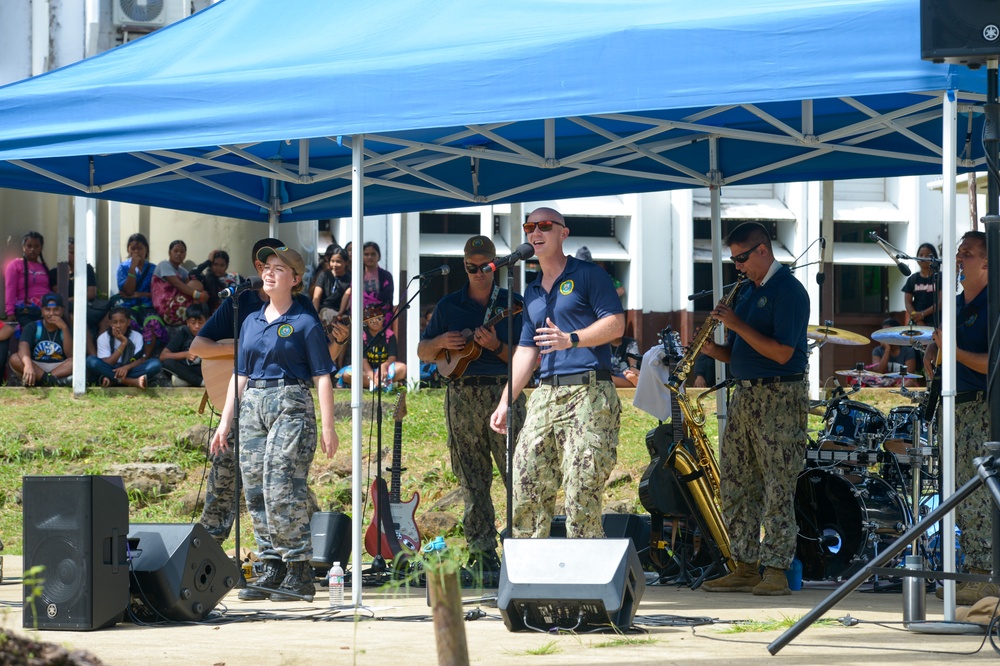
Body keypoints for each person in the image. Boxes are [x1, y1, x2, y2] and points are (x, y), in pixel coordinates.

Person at [190, 239, 338, 553]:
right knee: (243, 482)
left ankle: (299, 557)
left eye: (276, 267)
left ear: (294, 277)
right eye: (264, 266)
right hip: (247, 404)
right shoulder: (242, 307)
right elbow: (205, 351)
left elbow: (319, 366)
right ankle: (233, 554)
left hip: (286, 402)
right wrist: (240, 347)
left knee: (282, 481)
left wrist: (329, 426)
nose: (267, 272)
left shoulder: (303, 315)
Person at [489, 207, 625, 539]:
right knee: (525, 480)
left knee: (581, 490)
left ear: (563, 233)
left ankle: (588, 578)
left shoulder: (589, 275)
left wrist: (572, 339)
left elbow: (617, 325)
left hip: (588, 392)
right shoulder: (533, 291)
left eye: (545, 226)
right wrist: (506, 401)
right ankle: (529, 574)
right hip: (545, 393)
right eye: (530, 227)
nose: (535, 233)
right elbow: (527, 349)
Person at [699, 221, 809, 596]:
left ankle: (776, 568)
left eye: (742, 258)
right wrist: (716, 352)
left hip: (778, 397)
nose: (738, 266)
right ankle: (744, 564)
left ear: (763, 250)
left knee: (778, 483)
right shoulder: (747, 291)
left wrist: (736, 324)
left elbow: (781, 353)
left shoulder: (789, 291)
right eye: (734, 260)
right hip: (744, 395)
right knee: (736, 481)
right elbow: (746, 352)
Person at [418, 235, 526, 576]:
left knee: (517, 473)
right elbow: (424, 352)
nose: (478, 272)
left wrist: (495, 346)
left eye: (485, 267)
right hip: (461, 394)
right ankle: (482, 552)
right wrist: (439, 342)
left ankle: (522, 545)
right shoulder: (449, 306)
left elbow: (525, 359)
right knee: (471, 478)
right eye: (471, 267)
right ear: (464, 266)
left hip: (503, 391)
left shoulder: (513, 303)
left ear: (495, 266)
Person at [928, 231, 992, 604]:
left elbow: (993, 364)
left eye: (966, 254)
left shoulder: (993, 305)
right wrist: (932, 353)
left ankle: (986, 575)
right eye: (957, 253)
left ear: (986, 262)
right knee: (959, 493)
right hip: (954, 408)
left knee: (979, 491)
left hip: (982, 409)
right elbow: (941, 356)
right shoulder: (954, 306)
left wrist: (953, 351)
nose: (958, 259)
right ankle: (973, 569)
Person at [115, 233, 169, 354]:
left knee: (152, 322)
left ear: (146, 250)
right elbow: (128, 291)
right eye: (133, 248)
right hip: (129, 306)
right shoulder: (123, 268)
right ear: (128, 250)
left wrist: (141, 295)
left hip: (148, 305)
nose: (136, 252)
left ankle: (147, 357)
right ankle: (131, 355)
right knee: (129, 323)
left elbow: (159, 293)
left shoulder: (153, 269)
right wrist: (132, 268)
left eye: (140, 248)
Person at [86, 306, 163, 388]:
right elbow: (107, 363)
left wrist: (127, 367)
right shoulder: (104, 338)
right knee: (91, 361)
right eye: (115, 322)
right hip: (110, 368)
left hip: (129, 369)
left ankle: (112, 380)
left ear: (128, 322)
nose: (118, 325)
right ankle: (131, 381)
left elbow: (140, 360)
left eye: (122, 321)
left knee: (155, 364)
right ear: (110, 323)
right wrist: (123, 343)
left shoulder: (136, 336)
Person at [336, 303, 406, 391]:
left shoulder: (389, 335)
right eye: (371, 319)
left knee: (402, 368)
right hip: (366, 370)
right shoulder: (362, 336)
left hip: (384, 370)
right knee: (347, 374)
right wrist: (373, 377)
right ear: (366, 321)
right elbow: (363, 360)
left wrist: (383, 366)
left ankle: (374, 384)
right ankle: (381, 384)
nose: (375, 321)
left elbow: (392, 357)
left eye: (378, 318)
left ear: (383, 318)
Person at [9, 292, 73, 387]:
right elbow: (23, 347)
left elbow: (70, 354)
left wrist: (64, 328)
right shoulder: (33, 327)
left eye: (56, 310)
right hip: (37, 366)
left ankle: (43, 380)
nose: (51, 314)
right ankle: (51, 381)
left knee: (76, 362)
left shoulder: (66, 328)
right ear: (42, 311)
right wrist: (28, 365)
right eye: (47, 310)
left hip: (58, 367)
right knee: (14, 358)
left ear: (62, 311)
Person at [152, 240, 209, 327]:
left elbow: (192, 280)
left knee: (198, 285)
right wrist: (198, 295)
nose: (178, 254)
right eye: (175, 251)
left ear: (185, 255)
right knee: (196, 287)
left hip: (176, 305)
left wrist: (202, 293)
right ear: (169, 253)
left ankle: (197, 320)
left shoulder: (182, 271)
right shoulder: (164, 265)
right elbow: (177, 284)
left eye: (182, 252)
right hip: (167, 309)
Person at [4, 231, 51, 330]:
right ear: (23, 247)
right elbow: (10, 289)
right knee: (32, 332)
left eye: (36, 246)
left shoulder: (44, 267)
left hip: (47, 309)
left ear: (41, 248)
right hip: (26, 310)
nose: (32, 249)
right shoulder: (15, 265)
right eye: (29, 246)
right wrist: (10, 312)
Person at [160, 303, 210, 387]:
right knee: (167, 363)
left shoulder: (212, 333)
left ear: (207, 321)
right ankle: (201, 382)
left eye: (201, 322)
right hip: (187, 369)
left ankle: (186, 382)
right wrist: (185, 354)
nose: (197, 326)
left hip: (206, 369)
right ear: (187, 322)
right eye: (193, 323)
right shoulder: (183, 333)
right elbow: (163, 356)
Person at [339, 241, 393, 318]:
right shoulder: (357, 275)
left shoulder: (386, 276)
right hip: (360, 315)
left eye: (373, 254)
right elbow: (353, 295)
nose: (370, 257)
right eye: (366, 254)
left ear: (379, 256)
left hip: (380, 315)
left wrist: (370, 303)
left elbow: (387, 298)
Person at [870, 317, 918, 387]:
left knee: (909, 382)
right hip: (883, 384)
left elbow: (909, 375)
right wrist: (887, 350)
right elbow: (878, 372)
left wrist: (894, 383)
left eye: (889, 333)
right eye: (884, 333)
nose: (886, 336)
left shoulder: (908, 351)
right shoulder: (877, 351)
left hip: (900, 384)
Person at [903, 242, 940, 328]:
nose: (924, 258)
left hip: (937, 323)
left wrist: (923, 314)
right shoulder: (912, 279)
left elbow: (941, 302)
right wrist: (917, 318)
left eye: (928, 255)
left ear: (934, 258)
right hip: (917, 323)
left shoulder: (940, 277)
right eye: (921, 255)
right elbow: (908, 302)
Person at [313, 246, 350, 314]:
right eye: (332, 261)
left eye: (338, 262)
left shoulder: (349, 278)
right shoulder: (324, 275)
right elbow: (316, 297)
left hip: (341, 313)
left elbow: (347, 297)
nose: (334, 264)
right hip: (324, 310)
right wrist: (315, 314)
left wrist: (340, 313)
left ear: (346, 262)